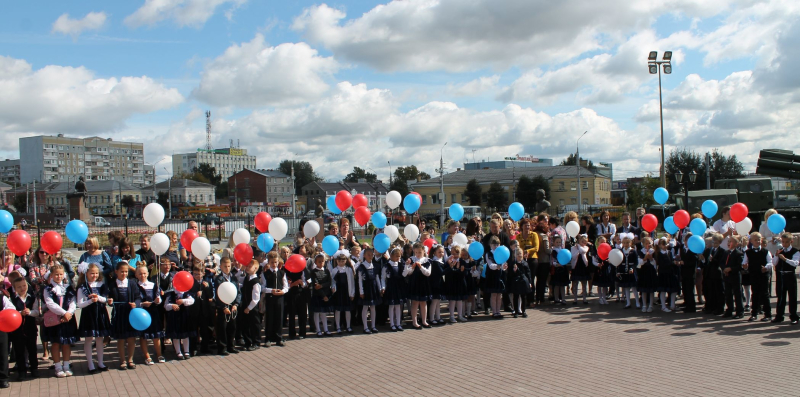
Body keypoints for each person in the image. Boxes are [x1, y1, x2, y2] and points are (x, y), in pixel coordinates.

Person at [43, 264, 78, 378]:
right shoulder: (48, 289)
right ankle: (58, 367)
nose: (58, 276)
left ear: (64, 275)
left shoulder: (68, 288)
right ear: (52, 275)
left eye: (61, 274)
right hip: (55, 320)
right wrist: (63, 313)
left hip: (68, 319)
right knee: (56, 343)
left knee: (66, 343)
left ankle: (66, 366)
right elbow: (50, 304)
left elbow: (73, 302)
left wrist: (69, 313)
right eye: (56, 274)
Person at [76, 263, 111, 373]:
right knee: (89, 338)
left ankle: (100, 362)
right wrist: (90, 301)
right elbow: (80, 304)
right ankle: (90, 363)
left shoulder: (101, 284)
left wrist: (97, 298)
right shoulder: (82, 287)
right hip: (89, 315)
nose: (94, 275)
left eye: (96, 273)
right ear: (86, 273)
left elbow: (106, 299)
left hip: (100, 313)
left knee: (100, 338)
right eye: (92, 273)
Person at [107, 261, 141, 369]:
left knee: (131, 338)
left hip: (130, 313)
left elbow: (138, 297)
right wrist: (110, 302)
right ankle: (122, 360)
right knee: (121, 338)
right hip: (119, 314)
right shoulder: (112, 285)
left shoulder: (132, 283)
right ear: (116, 272)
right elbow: (109, 298)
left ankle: (130, 360)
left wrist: (135, 304)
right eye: (122, 271)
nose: (124, 274)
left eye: (126, 271)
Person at [9, 277, 40, 380]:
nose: (22, 288)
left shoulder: (32, 297)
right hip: (17, 330)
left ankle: (34, 368)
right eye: (19, 287)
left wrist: (30, 312)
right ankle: (22, 371)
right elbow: (10, 312)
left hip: (30, 328)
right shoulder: (12, 299)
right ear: (15, 288)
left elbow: (37, 311)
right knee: (19, 350)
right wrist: (19, 313)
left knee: (32, 349)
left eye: (24, 286)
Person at [135, 265, 164, 364]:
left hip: (153, 312)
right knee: (144, 336)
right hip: (141, 313)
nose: (142, 275)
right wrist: (142, 304)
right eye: (140, 273)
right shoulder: (135, 286)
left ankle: (159, 354)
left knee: (156, 335)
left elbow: (159, 298)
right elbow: (134, 300)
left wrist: (157, 301)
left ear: (147, 274)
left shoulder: (153, 285)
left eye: (144, 273)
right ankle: (147, 356)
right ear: (136, 275)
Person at [164, 272, 195, 359]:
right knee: (176, 336)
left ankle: (186, 351)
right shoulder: (171, 294)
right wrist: (172, 306)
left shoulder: (187, 293)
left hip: (184, 316)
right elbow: (166, 306)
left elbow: (192, 301)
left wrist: (183, 301)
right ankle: (178, 352)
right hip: (174, 317)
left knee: (185, 335)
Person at [743, 233, 773, 322]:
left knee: (765, 294)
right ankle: (754, 314)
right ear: (751, 241)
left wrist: (766, 267)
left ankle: (768, 314)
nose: (757, 241)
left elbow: (770, 262)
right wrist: (745, 266)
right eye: (755, 240)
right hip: (753, 275)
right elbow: (745, 262)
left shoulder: (765, 251)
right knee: (755, 294)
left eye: (759, 239)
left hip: (763, 275)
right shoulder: (748, 252)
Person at [214, 257, 240, 355]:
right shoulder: (219, 279)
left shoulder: (234, 278)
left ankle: (231, 346)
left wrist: (236, 304)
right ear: (220, 266)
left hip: (233, 306)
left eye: (229, 266)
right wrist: (223, 307)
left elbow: (238, 292)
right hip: (223, 307)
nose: (227, 268)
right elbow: (218, 294)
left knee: (232, 327)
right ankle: (222, 348)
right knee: (222, 328)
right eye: (225, 266)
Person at [261, 252, 287, 346]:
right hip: (270, 298)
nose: (274, 264)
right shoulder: (265, 274)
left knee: (279, 317)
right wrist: (271, 290)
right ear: (269, 262)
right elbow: (262, 287)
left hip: (279, 298)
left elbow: (286, 286)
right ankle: (268, 338)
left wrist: (282, 291)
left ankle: (279, 337)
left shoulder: (282, 273)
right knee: (270, 318)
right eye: (272, 262)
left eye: (275, 262)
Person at [772, 232, 799, 324]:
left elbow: (795, 263)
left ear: (791, 241)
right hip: (780, 275)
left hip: (790, 275)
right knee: (781, 296)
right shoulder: (780, 250)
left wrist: (785, 259)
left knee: (792, 296)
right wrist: (776, 256)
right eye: (783, 242)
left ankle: (794, 316)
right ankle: (779, 316)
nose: (784, 244)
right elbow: (774, 263)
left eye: (786, 242)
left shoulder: (795, 251)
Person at [404, 243, 432, 329]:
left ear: (423, 251)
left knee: (423, 303)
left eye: (419, 252)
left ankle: (424, 321)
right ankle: (414, 322)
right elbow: (407, 273)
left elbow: (428, 273)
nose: (418, 254)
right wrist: (411, 267)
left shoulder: (427, 261)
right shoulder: (411, 260)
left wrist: (421, 267)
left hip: (423, 284)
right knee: (415, 303)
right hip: (414, 284)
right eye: (416, 252)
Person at [189, 267, 214, 356]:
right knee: (194, 330)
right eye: (195, 274)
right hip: (194, 310)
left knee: (205, 330)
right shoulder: (191, 283)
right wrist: (196, 294)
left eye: (199, 274)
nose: (197, 276)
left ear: (203, 274)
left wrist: (207, 288)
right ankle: (193, 348)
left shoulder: (207, 283)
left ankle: (205, 347)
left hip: (204, 310)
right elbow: (188, 294)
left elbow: (211, 295)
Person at [357, 247, 382, 334]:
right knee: (365, 307)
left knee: (373, 307)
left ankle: (373, 326)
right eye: (368, 255)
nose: (370, 256)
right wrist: (361, 291)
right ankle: (365, 327)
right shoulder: (361, 267)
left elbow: (377, 278)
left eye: (371, 255)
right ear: (364, 255)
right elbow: (359, 280)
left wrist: (380, 288)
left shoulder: (374, 266)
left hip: (373, 288)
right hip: (366, 289)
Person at [382, 247, 407, 330]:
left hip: (399, 287)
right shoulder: (387, 266)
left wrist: (408, 266)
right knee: (391, 306)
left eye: (399, 256)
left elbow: (404, 274)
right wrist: (383, 287)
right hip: (391, 287)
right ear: (391, 256)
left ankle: (398, 323)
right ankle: (392, 323)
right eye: (396, 256)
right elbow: (383, 278)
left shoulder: (401, 265)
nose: (398, 258)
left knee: (398, 306)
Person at [330, 250, 355, 333]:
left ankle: (348, 326)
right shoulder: (334, 270)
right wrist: (333, 287)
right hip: (338, 293)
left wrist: (352, 293)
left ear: (346, 261)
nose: (341, 262)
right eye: (339, 261)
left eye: (343, 261)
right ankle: (338, 327)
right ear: (337, 261)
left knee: (347, 310)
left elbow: (351, 282)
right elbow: (333, 281)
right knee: (338, 310)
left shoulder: (349, 270)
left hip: (346, 292)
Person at [240, 259, 262, 351]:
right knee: (246, 325)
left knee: (254, 325)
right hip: (245, 305)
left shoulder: (255, 281)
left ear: (256, 268)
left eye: (250, 266)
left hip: (252, 307)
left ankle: (256, 342)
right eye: (247, 266)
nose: (247, 268)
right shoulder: (246, 278)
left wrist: (249, 308)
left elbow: (256, 298)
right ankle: (248, 342)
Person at [701, 234, 725, 315]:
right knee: (711, 291)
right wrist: (703, 260)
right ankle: (711, 307)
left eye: (716, 243)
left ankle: (720, 308)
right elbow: (706, 262)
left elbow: (721, 262)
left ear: (720, 242)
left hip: (717, 274)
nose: (714, 244)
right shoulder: (708, 250)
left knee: (719, 292)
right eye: (713, 242)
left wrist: (713, 259)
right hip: (709, 274)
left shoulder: (722, 251)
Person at [309, 253, 333, 337]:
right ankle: (318, 330)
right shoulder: (313, 272)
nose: (321, 263)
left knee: (323, 313)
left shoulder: (326, 271)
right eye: (319, 262)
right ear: (315, 262)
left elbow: (329, 282)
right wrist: (323, 295)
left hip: (326, 293)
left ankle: (326, 329)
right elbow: (316, 285)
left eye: (322, 261)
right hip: (318, 295)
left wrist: (323, 287)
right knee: (316, 313)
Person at [721, 236, 745, 319]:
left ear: (736, 244)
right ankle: (729, 310)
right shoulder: (726, 252)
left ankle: (740, 311)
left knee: (737, 294)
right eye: (728, 241)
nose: (728, 243)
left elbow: (740, 266)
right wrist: (724, 269)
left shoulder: (739, 253)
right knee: (728, 294)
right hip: (727, 276)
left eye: (731, 241)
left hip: (735, 276)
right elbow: (722, 262)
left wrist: (730, 269)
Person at [443, 245, 468, 323]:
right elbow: (447, 272)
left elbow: (464, 273)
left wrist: (461, 270)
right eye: (453, 253)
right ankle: (451, 316)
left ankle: (460, 315)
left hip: (460, 283)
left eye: (457, 253)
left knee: (460, 300)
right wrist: (452, 267)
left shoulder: (462, 261)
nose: (455, 255)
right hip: (451, 283)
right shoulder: (449, 261)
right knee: (452, 300)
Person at [484, 236, 508, 318]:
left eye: (497, 244)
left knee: (499, 294)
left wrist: (504, 267)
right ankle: (494, 312)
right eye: (494, 244)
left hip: (500, 275)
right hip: (492, 275)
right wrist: (499, 266)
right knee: (494, 294)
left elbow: (504, 264)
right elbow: (491, 265)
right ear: (490, 245)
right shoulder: (488, 254)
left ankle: (498, 311)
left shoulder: (501, 252)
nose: (496, 246)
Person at [655, 238, 680, 312]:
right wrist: (673, 263)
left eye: (666, 244)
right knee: (663, 290)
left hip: (670, 273)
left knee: (674, 289)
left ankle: (672, 305)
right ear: (659, 245)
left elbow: (671, 261)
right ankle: (663, 306)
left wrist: (675, 263)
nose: (665, 246)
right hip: (663, 273)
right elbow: (662, 264)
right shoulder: (659, 254)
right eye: (663, 244)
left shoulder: (669, 252)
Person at [677, 233, 699, 313]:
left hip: (690, 273)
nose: (685, 242)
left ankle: (691, 307)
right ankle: (686, 303)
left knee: (690, 290)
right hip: (684, 272)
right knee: (685, 289)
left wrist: (684, 262)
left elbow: (693, 261)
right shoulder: (683, 248)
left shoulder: (693, 250)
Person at [506, 247, 531, 318]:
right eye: (518, 254)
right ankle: (516, 311)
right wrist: (514, 270)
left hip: (523, 282)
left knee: (523, 297)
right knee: (516, 297)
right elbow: (510, 274)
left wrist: (529, 282)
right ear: (515, 255)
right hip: (516, 282)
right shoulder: (513, 264)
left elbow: (528, 273)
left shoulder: (525, 263)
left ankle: (524, 311)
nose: (519, 255)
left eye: (521, 254)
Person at [616, 233, 639, 309]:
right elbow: (618, 262)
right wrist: (618, 271)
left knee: (634, 288)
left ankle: (637, 302)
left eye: (628, 242)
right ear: (622, 243)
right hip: (624, 272)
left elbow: (636, 262)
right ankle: (628, 302)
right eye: (624, 243)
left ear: (631, 243)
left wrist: (632, 268)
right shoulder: (620, 251)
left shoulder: (633, 251)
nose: (626, 244)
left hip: (631, 272)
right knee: (626, 288)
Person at [637, 237, 658, 313]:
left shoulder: (654, 252)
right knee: (644, 290)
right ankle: (644, 305)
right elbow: (639, 264)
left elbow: (655, 264)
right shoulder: (640, 252)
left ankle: (651, 305)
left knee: (651, 290)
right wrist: (645, 259)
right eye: (646, 243)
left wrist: (651, 259)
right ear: (643, 244)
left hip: (651, 272)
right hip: (643, 272)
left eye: (649, 243)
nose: (648, 245)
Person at [427, 244, 446, 326]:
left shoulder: (440, 261)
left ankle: (438, 317)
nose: (441, 253)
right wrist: (450, 267)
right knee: (434, 302)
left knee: (438, 302)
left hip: (439, 283)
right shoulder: (435, 262)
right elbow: (441, 272)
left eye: (442, 252)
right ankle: (431, 318)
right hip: (435, 284)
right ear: (434, 253)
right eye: (439, 252)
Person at [593, 236, 615, 305]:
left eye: (604, 242)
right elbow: (593, 261)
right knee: (599, 285)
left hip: (606, 269)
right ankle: (600, 298)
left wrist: (609, 260)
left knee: (605, 285)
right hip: (599, 270)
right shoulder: (595, 252)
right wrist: (597, 264)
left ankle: (604, 297)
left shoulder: (608, 250)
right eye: (601, 242)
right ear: (598, 243)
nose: (603, 243)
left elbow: (612, 259)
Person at [570, 235, 591, 305]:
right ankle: (575, 299)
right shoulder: (573, 248)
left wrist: (578, 247)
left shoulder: (586, 247)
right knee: (575, 283)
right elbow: (573, 256)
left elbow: (583, 251)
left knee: (584, 283)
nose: (583, 244)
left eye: (585, 242)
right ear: (579, 241)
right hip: (576, 266)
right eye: (582, 242)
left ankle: (584, 299)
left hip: (583, 266)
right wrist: (577, 250)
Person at [550, 235, 569, 305]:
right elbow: (552, 261)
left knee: (562, 285)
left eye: (559, 242)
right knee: (557, 285)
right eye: (557, 242)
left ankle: (563, 298)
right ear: (554, 243)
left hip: (563, 269)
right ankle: (556, 298)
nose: (558, 244)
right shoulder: (553, 250)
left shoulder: (563, 250)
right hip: (557, 269)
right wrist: (556, 264)